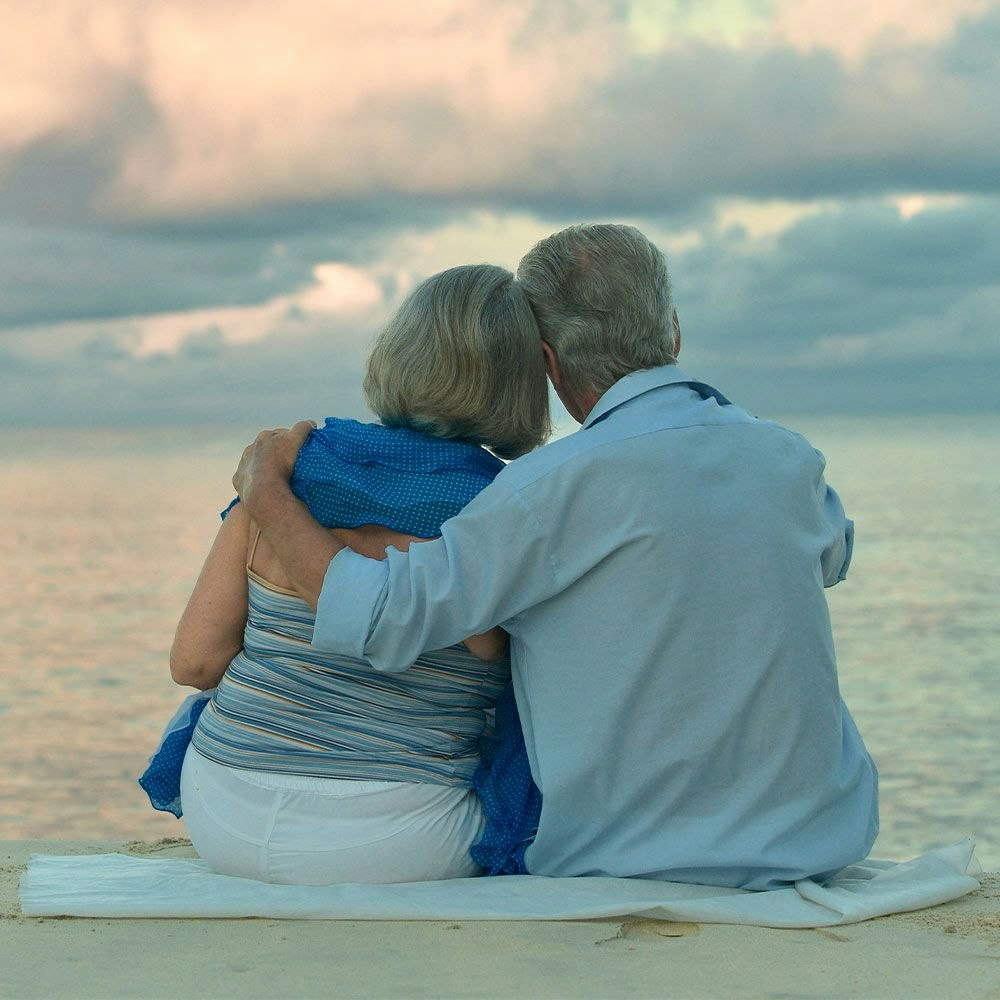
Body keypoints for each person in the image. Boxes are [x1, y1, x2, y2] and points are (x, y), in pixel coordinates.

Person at [233, 224, 879, 891]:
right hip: (819, 841)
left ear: (548, 362)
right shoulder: (789, 458)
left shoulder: (547, 488)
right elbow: (831, 557)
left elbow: (380, 616)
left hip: (633, 857)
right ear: (675, 332)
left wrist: (268, 493)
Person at [164, 263, 550, 885]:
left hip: (223, 816)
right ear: (524, 385)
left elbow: (196, 664)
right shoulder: (508, 507)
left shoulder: (281, 474)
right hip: (402, 840)